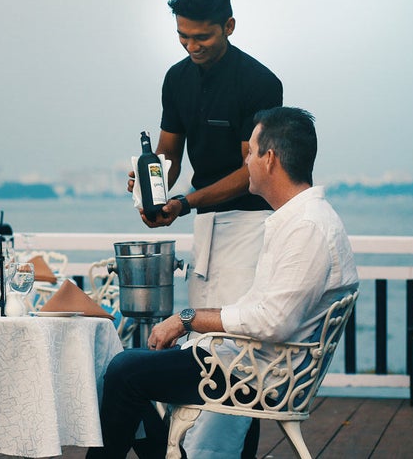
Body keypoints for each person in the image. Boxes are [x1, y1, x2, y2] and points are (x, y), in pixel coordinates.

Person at [91, 107, 359, 459]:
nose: (245, 161)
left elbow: (272, 321)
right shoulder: (303, 219)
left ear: (270, 159)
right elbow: (265, 312)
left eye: (250, 152)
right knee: (128, 367)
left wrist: (187, 319)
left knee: (125, 371)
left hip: (256, 372)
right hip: (255, 361)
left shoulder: (306, 227)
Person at [127, 0, 282, 456]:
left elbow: (251, 173)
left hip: (252, 225)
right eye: (183, 37)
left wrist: (186, 201)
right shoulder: (176, 78)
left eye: (203, 37)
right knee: (203, 348)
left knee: (240, 355)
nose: (191, 46)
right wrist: (151, 183)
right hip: (204, 225)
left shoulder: (260, 82)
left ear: (229, 26)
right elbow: (169, 156)